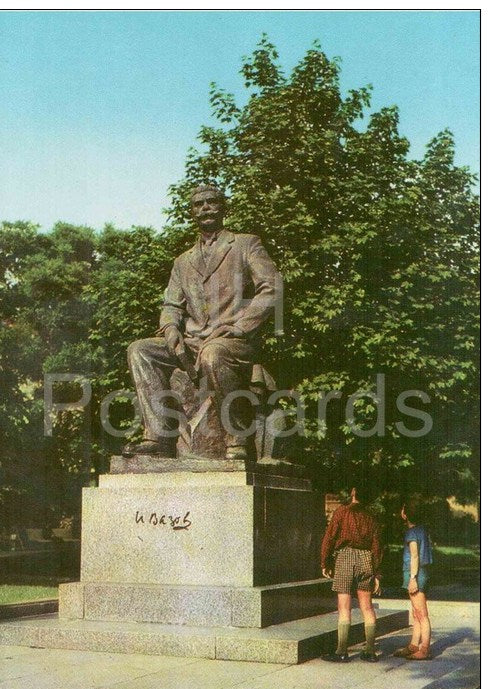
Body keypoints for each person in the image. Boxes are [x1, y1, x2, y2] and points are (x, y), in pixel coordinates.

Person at [123, 184, 281, 460]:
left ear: (223, 207)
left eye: (211, 202)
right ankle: (158, 436)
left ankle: (237, 436)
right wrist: (171, 329)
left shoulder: (246, 244)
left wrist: (241, 326)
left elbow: (272, 288)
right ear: (192, 212)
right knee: (140, 350)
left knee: (213, 353)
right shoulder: (183, 261)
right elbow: (171, 305)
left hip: (233, 342)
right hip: (193, 341)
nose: (205, 208)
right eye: (198, 204)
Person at [320, 484, 382, 662]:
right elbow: (377, 546)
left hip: (345, 557)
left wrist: (325, 561)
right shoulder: (372, 517)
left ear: (353, 492)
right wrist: (377, 573)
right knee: (367, 607)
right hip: (366, 558)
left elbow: (330, 537)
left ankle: (341, 651)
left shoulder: (341, 512)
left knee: (344, 607)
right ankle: (370, 651)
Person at [393, 498, 433, 660]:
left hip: (416, 573)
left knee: (421, 613)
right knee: (417, 612)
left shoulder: (411, 533)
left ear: (405, 514)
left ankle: (424, 649)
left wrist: (412, 578)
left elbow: (415, 556)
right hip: (424, 572)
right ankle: (413, 645)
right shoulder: (422, 530)